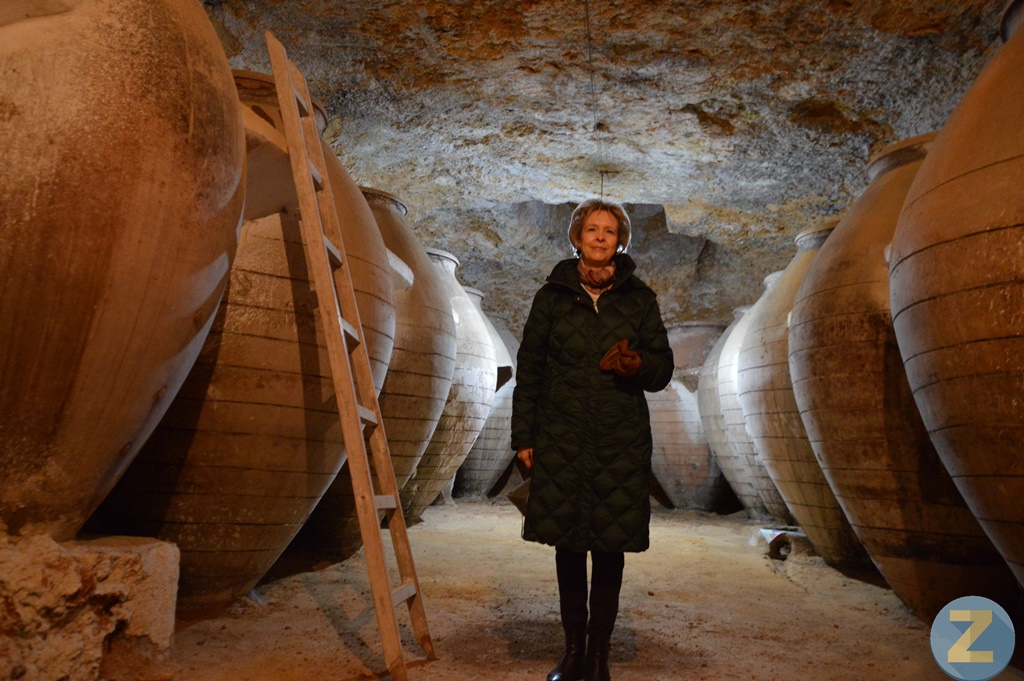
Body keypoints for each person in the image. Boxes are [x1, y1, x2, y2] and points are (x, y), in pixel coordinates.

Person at [511, 198, 674, 681]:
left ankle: (599, 654)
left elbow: (663, 368)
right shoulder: (552, 298)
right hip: (560, 436)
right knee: (568, 547)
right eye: (592, 230)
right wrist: (525, 436)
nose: (600, 237)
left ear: (620, 240)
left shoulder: (640, 299)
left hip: (618, 441)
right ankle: (574, 651)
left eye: (609, 231)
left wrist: (636, 364)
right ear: (577, 238)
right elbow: (531, 371)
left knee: (608, 548)